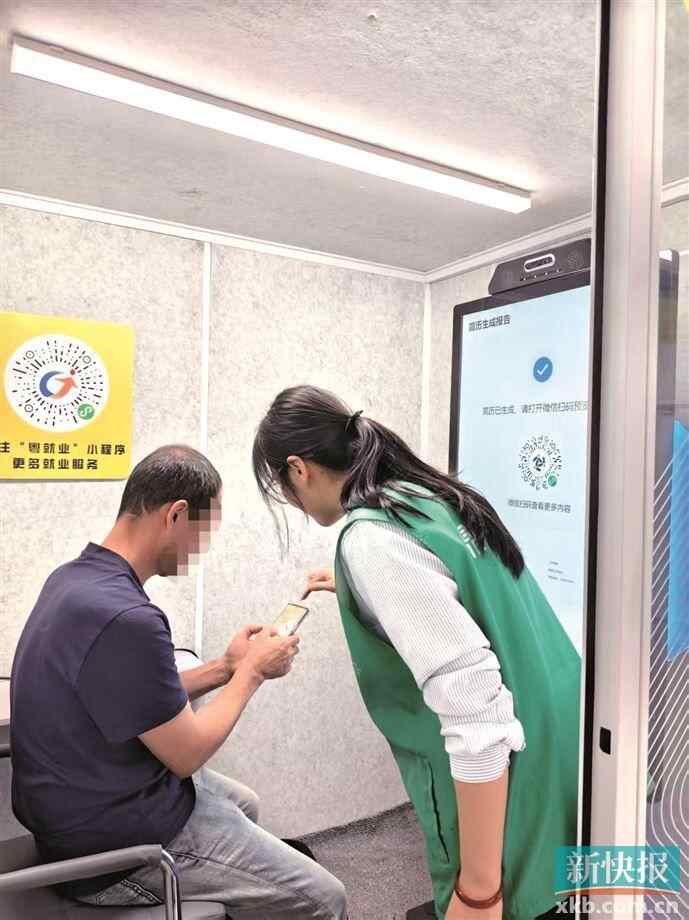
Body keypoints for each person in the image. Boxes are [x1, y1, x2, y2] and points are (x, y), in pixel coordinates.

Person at [253, 386, 580, 920]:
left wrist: (479, 892)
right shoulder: (425, 495)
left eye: (282, 488)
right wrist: (367, 588)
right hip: (559, 735)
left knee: (511, 900)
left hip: (508, 770)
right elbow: (454, 582)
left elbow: (477, 713)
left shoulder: (371, 541)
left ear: (298, 469)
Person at [10, 444, 347, 919]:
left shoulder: (74, 582)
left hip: (78, 813)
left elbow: (138, 695)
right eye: (203, 534)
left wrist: (225, 666)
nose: (199, 551)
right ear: (176, 515)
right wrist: (252, 673)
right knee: (326, 898)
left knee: (245, 803)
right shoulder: (128, 617)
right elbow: (187, 754)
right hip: (115, 846)